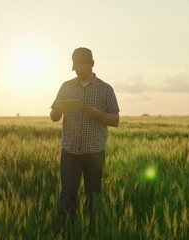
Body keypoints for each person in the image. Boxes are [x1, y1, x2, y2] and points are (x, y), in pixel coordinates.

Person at [50, 47, 120, 225]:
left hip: (94, 152)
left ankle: (92, 230)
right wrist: (58, 110)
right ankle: (66, 231)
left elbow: (115, 120)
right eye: (75, 66)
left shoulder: (105, 89)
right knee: (67, 194)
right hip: (70, 150)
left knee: (93, 195)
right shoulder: (66, 87)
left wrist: (97, 114)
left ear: (92, 64)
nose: (79, 70)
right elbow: (54, 117)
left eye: (82, 65)